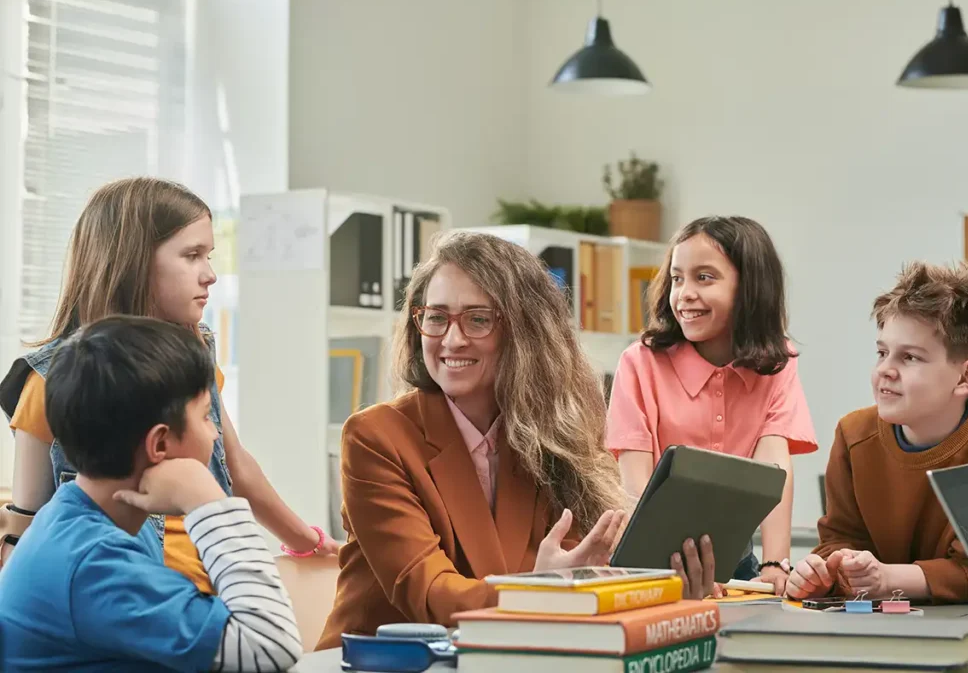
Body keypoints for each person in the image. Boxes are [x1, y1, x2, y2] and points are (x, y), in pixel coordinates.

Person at [316, 231, 718, 647]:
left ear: (525, 332)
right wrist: (540, 589)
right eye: (436, 317)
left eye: (478, 319)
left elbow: (586, 582)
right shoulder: (375, 438)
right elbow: (432, 596)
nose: (451, 340)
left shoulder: (552, 438)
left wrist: (665, 591)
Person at [0, 177, 338, 587]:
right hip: (120, 603)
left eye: (208, 255)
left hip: (206, 596)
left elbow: (235, 465)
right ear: (132, 263)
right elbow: (26, 525)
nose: (210, 274)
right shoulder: (48, 380)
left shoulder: (195, 352)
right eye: (192, 255)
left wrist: (307, 541)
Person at [0, 316, 303, 671]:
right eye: (207, 417)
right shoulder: (93, 562)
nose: (215, 436)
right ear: (159, 443)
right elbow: (270, 646)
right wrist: (210, 502)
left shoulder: (94, 519)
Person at [786, 261, 968, 603]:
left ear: (966, 377)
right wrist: (827, 571)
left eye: (909, 358)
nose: (885, 370)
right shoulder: (853, 435)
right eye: (882, 352)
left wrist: (886, 578)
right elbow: (840, 539)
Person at [607, 216, 817, 595]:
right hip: (649, 555)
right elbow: (633, 486)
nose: (684, 293)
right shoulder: (639, 363)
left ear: (750, 288)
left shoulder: (779, 362)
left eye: (704, 278)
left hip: (734, 560)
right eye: (676, 278)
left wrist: (774, 563)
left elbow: (775, 465)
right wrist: (666, 569)